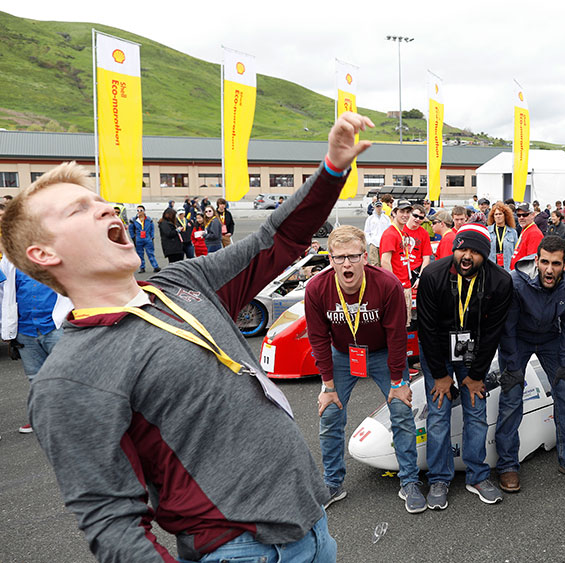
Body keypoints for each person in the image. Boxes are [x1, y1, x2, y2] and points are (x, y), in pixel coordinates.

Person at [1, 112, 374, 561]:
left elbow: (277, 240)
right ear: (44, 253)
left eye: (98, 199)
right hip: (240, 551)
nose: (103, 207)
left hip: (313, 528)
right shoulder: (68, 377)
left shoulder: (182, 282)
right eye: (78, 209)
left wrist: (332, 168)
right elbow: (112, 526)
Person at [305, 226, 424, 513]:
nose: (347, 263)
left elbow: (397, 336)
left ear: (365, 258)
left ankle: (409, 481)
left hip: (383, 353)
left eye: (354, 256)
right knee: (330, 414)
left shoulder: (387, 284)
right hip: (343, 355)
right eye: (340, 257)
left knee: (401, 411)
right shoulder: (317, 289)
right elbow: (318, 339)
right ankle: (332, 483)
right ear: (330, 259)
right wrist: (328, 386)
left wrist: (399, 381)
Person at [417, 224, 513, 508]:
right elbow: (426, 330)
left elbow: (493, 333)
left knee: (476, 412)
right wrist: (440, 375)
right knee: (438, 415)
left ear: (485, 255)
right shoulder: (433, 275)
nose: (467, 256)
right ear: (454, 248)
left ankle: (478, 475)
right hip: (436, 349)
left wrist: (475, 376)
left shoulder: (500, 281)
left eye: (474, 251)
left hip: (473, 351)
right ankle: (438, 478)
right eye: (462, 249)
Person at [496, 236, 565, 492]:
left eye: (556, 264)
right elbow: (507, 327)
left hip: (552, 338)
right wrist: (512, 365)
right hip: (518, 338)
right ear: (536, 260)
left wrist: (564, 360)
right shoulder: (516, 281)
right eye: (544, 262)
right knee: (511, 397)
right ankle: (507, 466)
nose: (549, 270)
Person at [0, 256, 73, 434]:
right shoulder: (10, 260)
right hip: (26, 330)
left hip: (55, 326)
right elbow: (4, 294)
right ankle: (41, 419)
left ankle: (72, 418)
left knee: (66, 375)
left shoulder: (57, 251)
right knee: (36, 379)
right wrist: (7, 328)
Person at [380, 200, 432, 323]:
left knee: (405, 323)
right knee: (397, 324)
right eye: (402, 211)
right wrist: (394, 285)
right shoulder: (390, 234)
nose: (405, 215)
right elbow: (385, 262)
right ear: (394, 213)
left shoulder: (401, 233)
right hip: (397, 286)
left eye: (408, 211)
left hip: (406, 283)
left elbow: (425, 257)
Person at [128, 205, 160, 273]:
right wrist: (133, 237)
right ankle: (142, 267)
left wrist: (152, 237)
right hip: (139, 239)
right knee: (140, 254)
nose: (139, 212)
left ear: (144, 211)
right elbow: (130, 229)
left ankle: (155, 266)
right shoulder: (133, 220)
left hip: (147, 238)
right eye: (138, 210)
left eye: (141, 210)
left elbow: (152, 228)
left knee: (150, 253)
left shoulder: (149, 219)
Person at [487, 202, 518, 270]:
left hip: (508, 269)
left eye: (500, 214)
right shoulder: (487, 231)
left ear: (505, 215)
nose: (498, 216)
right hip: (492, 268)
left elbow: (516, 252)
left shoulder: (513, 232)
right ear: (493, 216)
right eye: (496, 214)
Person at [364, 198, 391, 265]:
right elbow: (366, 231)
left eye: (380, 206)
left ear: (382, 207)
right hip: (374, 243)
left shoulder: (386, 218)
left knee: (384, 262)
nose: (378, 208)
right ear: (374, 207)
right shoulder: (370, 219)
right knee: (375, 262)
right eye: (377, 206)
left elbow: (389, 230)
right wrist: (370, 241)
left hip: (384, 243)